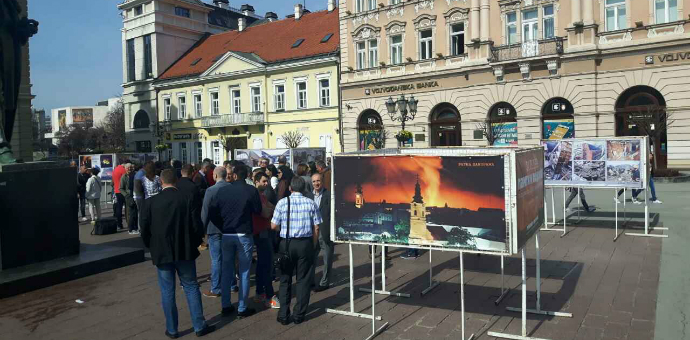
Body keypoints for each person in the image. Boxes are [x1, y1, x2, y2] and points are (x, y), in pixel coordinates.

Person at [140, 169, 214, 338]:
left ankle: (172, 329)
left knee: (167, 290)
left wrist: (151, 246)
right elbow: (197, 225)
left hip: (162, 250)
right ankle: (199, 325)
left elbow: (144, 228)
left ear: (161, 182)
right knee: (191, 286)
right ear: (176, 181)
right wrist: (196, 243)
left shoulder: (150, 202)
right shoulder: (186, 199)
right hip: (185, 249)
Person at [206, 165, 262, 318]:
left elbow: (212, 212)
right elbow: (258, 210)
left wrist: (222, 223)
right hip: (244, 233)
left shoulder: (222, 190)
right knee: (244, 272)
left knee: (226, 270)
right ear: (246, 175)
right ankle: (242, 307)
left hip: (227, 233)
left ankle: (225, 305)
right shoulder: (251, 190)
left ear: (235, 175)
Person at [271, 177, 322, 325]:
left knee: (285, 279)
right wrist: (312, 245)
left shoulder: (282, 203)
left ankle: (283, 314)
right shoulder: (311, 203)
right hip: (304, 244)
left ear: (290, 188)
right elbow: (317, 227)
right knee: (303, 279)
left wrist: (285, 230)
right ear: (305, 189)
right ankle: (299, 314)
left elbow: (273, 226)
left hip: (286, 244)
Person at [201, 166, 230, 299]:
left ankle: (216, 287)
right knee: (229, 258)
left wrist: (202, 229)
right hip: (229, 228)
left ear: (215, 176)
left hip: (214, 229)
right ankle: (232, 284)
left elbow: (205, 211)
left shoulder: (211, 190)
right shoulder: (231, 188)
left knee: (216, 259)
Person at [252, 171, 278, 308]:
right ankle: (269, 295)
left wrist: (271, 210)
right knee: (267, 263)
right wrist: (270, 210)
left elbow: (272, 208)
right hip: (260, 232)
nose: (266, 184)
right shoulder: (256, 195)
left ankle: (259, 292)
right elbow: (267, 211)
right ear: (256, 181)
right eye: (263, 181)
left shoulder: (262, 195)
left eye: (267, 181)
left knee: (262, 264)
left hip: (264, 231)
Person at [308, 172, 333, 292]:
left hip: (325, 230)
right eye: (314, 181)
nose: (316, 183)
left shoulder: (329, 195)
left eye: (318, 181)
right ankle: (311, 281)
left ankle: (324, 282)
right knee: (311, 257)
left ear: (322, 181)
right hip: (312, 231)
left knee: (327, 257)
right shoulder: (308, 196)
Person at [120, 164, 138, 235]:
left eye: (130, 167)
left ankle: (136, 227)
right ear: (125, 168)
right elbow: (121, 188)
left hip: (135, 196)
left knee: (135, 213)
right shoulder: (123, 177)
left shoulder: (135, 175)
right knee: (130, 213)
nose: (129, 169)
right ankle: (130, 229)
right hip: (128, 197)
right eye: (128, 168)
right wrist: (126, 195)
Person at [112, 160, 128, 230]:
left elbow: (112, 181)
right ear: (124, 164)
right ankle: (129, 223)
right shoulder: (123, 170)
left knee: (119, 208)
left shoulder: (115, 169)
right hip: (123, 191)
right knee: (127, 208)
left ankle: (119, 224)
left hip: (116, 190)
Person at [133, 163, 147, 227]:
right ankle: (141, 227)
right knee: (141, 213)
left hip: (138, 196)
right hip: (140, 196)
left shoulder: (139, 173)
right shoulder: (142, 173)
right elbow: (139, 187)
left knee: (140, 212)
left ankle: (140, 227)